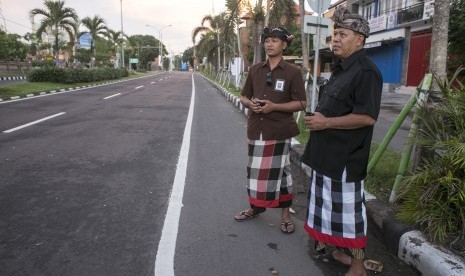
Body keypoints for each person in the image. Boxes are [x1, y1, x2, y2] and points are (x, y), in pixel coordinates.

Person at [301, 6, 382, 276]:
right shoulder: (340, 69)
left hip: (345, 160)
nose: (335, 39)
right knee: (327, 212)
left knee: (350, 217)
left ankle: (358, 266)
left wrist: (326, 122)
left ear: (359, 39)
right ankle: (337, 250)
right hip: (325, 155)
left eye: (342, 34)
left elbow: (367, 117)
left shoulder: (366, 72)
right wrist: (318, 119)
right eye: (335, 34)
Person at [234, 27, 307, 235]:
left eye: (274, 40)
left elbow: (302, 103)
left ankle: (285, 216)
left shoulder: (293, 72)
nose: (269, 44)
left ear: (284, 45)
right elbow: (243, 96)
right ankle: (255, 207)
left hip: (279, 131)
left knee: (282, 174)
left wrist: (275, 107)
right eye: (267, 40)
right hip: (256, 129)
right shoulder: (255, 69)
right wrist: (252, 104)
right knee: (255, 172)